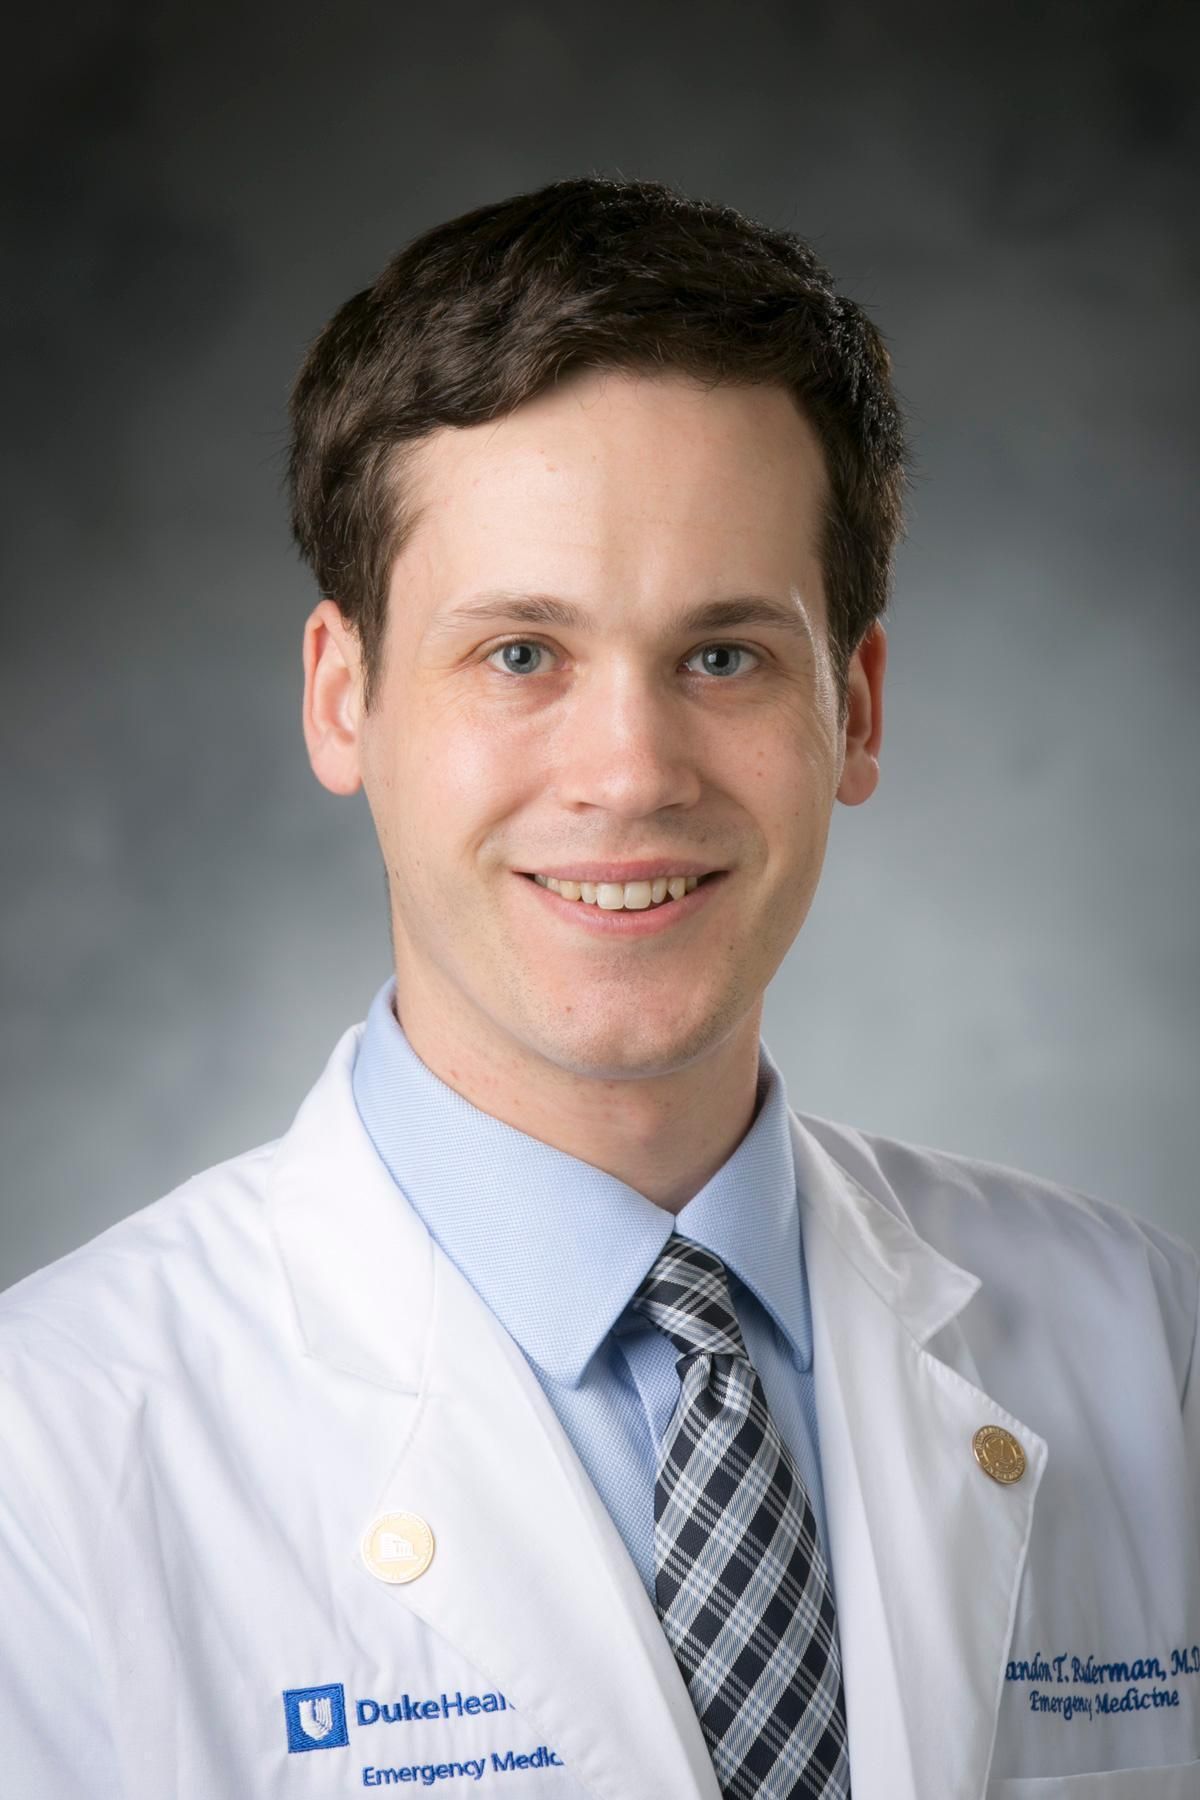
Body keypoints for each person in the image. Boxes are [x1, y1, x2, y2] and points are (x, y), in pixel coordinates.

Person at [0, 176, 1196, 1800]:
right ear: (343, 699)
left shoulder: (1148, 1347)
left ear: (855, 710)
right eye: (521, 655)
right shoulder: (49, 1460)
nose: (630, 773)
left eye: (724, 655)